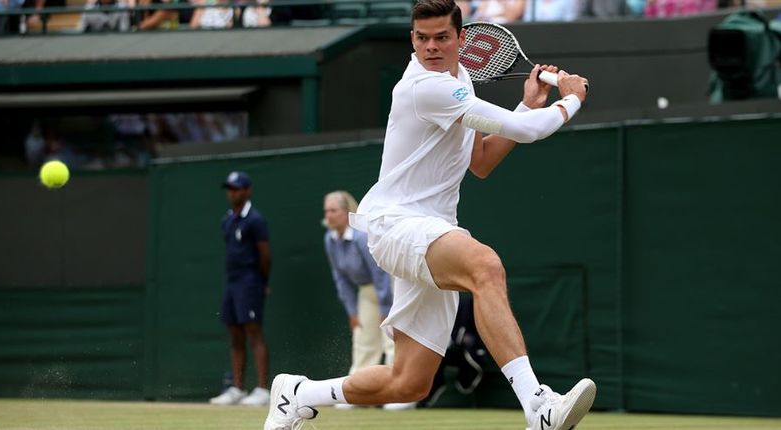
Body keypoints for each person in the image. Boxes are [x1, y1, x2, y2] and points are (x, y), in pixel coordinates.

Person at [264, 1, 594, 429]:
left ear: (461, 38)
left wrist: (529, 105)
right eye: (422, 38)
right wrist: (571, 100)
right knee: (485, 266)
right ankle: (538, 405)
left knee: (409, 383)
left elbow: (481, 161)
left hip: (431, 228)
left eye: (441, 37)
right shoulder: (424, 87)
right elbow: (530, 133)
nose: (431, 47)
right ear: (412, 40)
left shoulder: (461, 80)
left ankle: (297, 393)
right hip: (395, 224)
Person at [322, 191, 414, 410]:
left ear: (346, 213)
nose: (328, 215)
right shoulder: (330, 240)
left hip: (389, 287)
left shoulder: (361, 237)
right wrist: (352, 312)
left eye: (333, 210)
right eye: (326, 211)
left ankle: (400, 394)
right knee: (363, 339)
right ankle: (357, 393)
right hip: (366, 292)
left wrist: (385, 305)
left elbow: (380, 272)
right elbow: (340, 278)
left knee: (391, 339)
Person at [210, 171, 272, 407]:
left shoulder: (256, 220)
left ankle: (262, 389)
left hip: (251, 281)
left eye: (237, 188)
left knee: (254, 333)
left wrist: (262, 283)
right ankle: (237, 388)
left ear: (247, 191)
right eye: (230, 188)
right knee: (235, 334)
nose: (232, 193)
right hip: (232, 283)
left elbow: (265, 256)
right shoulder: (227, 220)